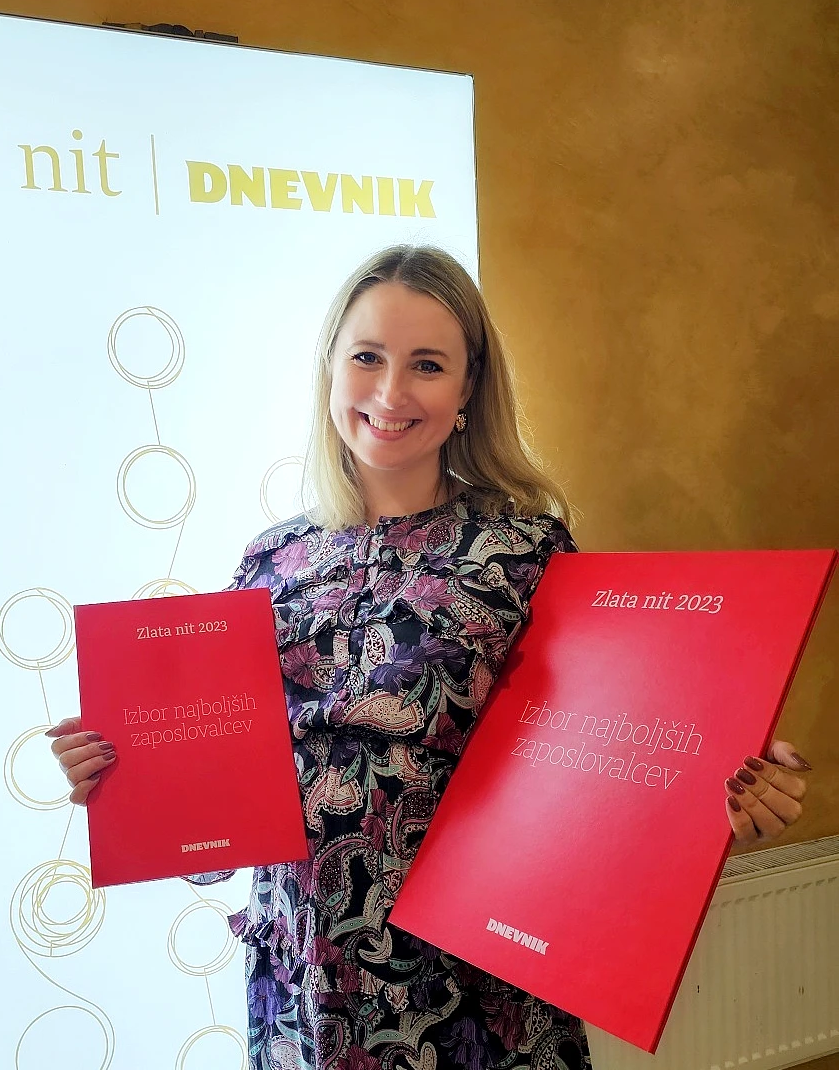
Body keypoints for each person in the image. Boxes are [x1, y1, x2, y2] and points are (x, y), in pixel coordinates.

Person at [47, 245, 812, 1070]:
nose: (389, 392)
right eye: (367, 357)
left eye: (428, 365)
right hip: (307, 992)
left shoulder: (525, 551)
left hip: (473, 996)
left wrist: (718, 787)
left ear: (467, 389)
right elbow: (228, 816)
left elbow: (607, 757)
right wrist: (134, 784)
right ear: (331, 371)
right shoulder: (269, 562)